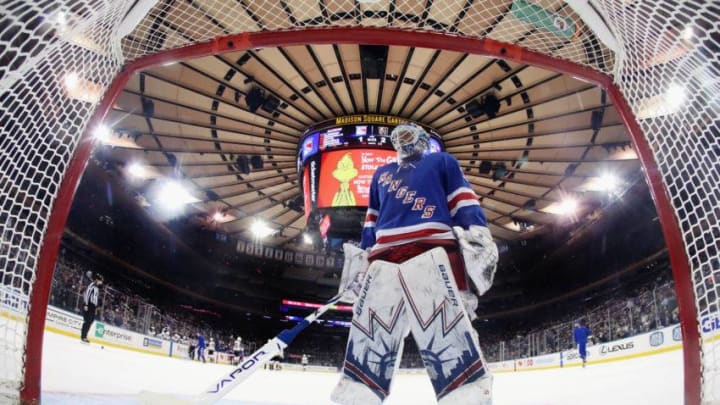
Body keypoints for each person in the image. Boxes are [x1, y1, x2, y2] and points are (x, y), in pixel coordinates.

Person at [331, 123, 498, 405]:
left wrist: (476, 234)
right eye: (399, 136)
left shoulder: (442, 161)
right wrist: (364, 256)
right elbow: (371, 221)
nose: (404, 140)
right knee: (373, 335)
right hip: (391, 257)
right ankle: (358, 396)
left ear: (423, 139)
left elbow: (462, 202)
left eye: (408, 135)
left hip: (432, 250)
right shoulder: (381, 174)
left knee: (451, 329)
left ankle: (466, 395)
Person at [80, 273, 103, 343]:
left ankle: (85, 335)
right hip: (89, 305)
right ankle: (83, 336)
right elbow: (87, 294)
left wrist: (96, 307)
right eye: (100, 281)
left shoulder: (97, 287)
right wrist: (86, 305)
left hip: (93, 306)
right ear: (96, 280)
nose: (101, 282)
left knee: (90, 321)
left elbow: (96, 298)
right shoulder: (92, 285)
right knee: (87, 321)